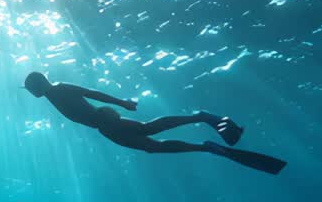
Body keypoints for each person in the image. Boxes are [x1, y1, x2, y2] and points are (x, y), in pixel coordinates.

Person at [23, 71, 286, 174]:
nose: (32, 93)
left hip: (104, 121)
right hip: (104, 125)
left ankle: (203, 122)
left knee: (150, 135)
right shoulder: (52, 94)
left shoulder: (58, 88)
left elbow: (92, 94)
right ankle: (205, 140)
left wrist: (122, 103)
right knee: (151, 142)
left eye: (30, 87)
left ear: (38, 82)